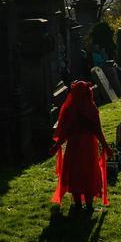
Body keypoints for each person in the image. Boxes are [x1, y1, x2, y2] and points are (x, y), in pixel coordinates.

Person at [50, 81, 114, 211]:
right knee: (88, 173)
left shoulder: (70, 108)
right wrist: (106, 147)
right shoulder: (91, 107)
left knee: (75, 173)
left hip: (73, 145)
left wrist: (57, 145)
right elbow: (98, 130)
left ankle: (78, 203)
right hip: (88, 146)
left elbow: (65, 131)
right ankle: (89, 205)